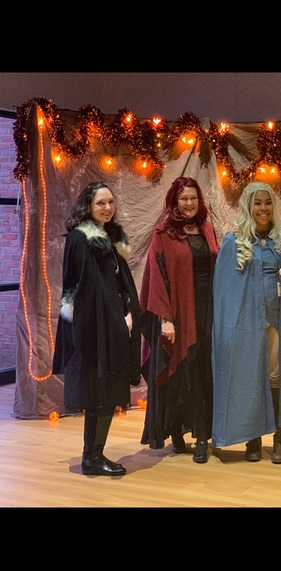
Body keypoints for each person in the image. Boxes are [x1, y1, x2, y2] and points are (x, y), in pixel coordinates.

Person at [211, 181, 281, 464]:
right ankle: (253, 439)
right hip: (247, 326)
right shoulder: (233, 242)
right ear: (248, 206)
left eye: (268, 202)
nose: (263, 208)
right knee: (249, 377)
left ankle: (280, 438)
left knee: (279, 378)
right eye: (258, 203)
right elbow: (225, 291)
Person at [52, 181, 142, 476]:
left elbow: (117, 283)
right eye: (100, 203)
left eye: (110, 202)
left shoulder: (110, 237)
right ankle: (91, 457)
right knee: (98, 392)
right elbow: (86, 289)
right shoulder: (81, 238)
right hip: (93, 327)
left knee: (109, 391)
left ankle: (94, 454)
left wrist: (126, 310)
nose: (107, 208)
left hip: (112, 323)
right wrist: (116, 319)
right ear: (88, 206)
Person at [139, 176, 219, 464]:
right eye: (183, 198)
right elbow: (156, 278)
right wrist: (165, 319)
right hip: (179, 313)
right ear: (174, 201)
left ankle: (202, 432)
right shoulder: (163, 234)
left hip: (207, 311)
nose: (189, 203)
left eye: (193, 198)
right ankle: (186, 434)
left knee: (203, 372)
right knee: (182, 372)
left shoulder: (207, 228)